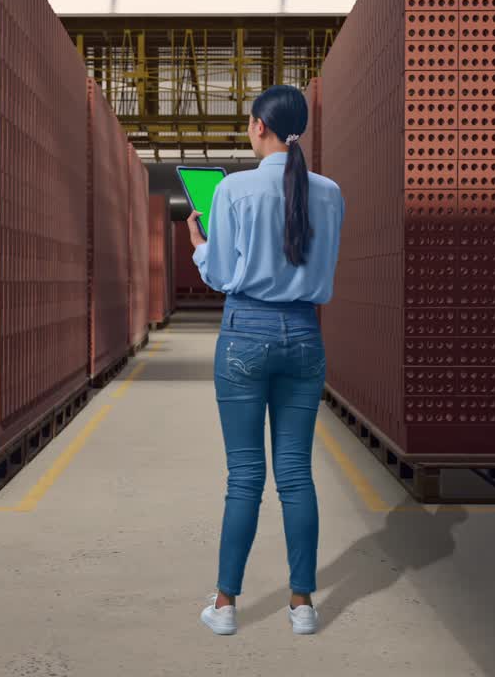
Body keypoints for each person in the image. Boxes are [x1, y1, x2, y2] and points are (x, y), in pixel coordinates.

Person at [186, 84, 345, 637]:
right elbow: (322, 270)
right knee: (296, 475)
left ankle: (226, 605)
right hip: (304, 334)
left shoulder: (232, 190)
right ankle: (302, 606)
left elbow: (222, 273)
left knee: (246, 476)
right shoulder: (329, 193)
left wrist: (199, 243)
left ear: (259, 125)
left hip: (245, 334)